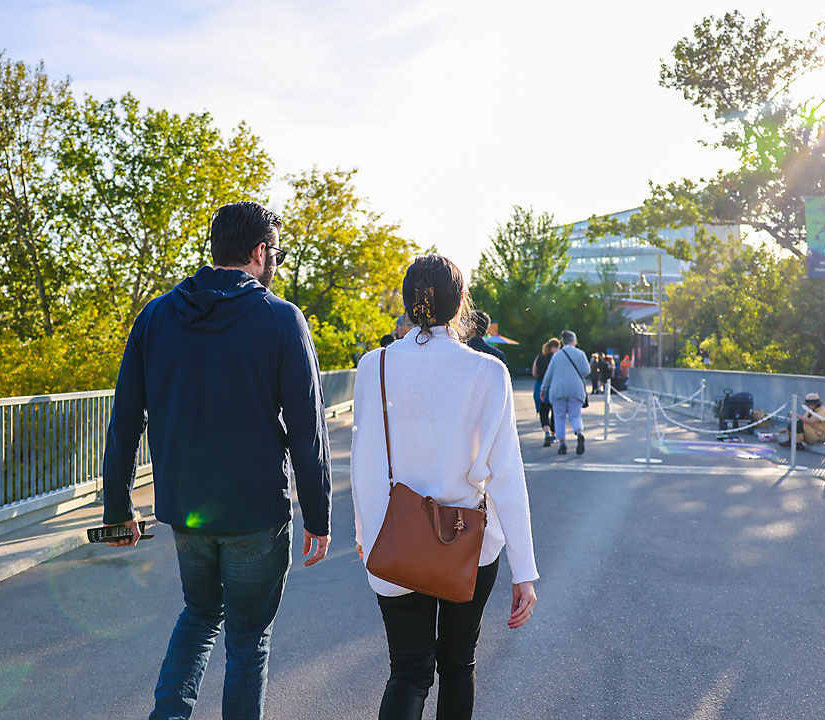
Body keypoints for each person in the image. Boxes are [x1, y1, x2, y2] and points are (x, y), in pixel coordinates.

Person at [101, 201, 332, 720]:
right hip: (256, 513)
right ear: (259, 252)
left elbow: (124, 420)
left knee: (201, 614)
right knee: (248, 640)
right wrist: (318, 516)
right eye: (275, 252)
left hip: (187, 510)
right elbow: (307, 429)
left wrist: (117, 508)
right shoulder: (280, 318)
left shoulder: (157, 315)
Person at [350, 255, 538, 720]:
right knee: (458, 664)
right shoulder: (488, 372)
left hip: (397, 540)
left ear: (408, 303)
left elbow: (363, 462)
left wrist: (364, 532)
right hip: (470, 544)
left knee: (408, 672)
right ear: (460, 306)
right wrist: (524, 569)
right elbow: (507, 474)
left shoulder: (373, 367)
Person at [540, 330, 591, 456]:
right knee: (575, 415)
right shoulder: (580, 353)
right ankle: (579, 433)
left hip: (558, 390)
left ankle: (562, 444)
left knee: (559, 417)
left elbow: (549, 374)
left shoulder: (557, 355)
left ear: (563, 342)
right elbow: (586, 371)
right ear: (574, 341)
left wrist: (543, 389)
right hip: (576, 390)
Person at [532, 338, 561, 446]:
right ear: (555, 347)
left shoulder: (539, 357)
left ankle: (547, 432)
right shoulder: (557, 358)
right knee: (555, 412)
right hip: (554, 386)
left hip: (540, 386)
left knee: (543, 412)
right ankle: (554, 435)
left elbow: (534, 373)